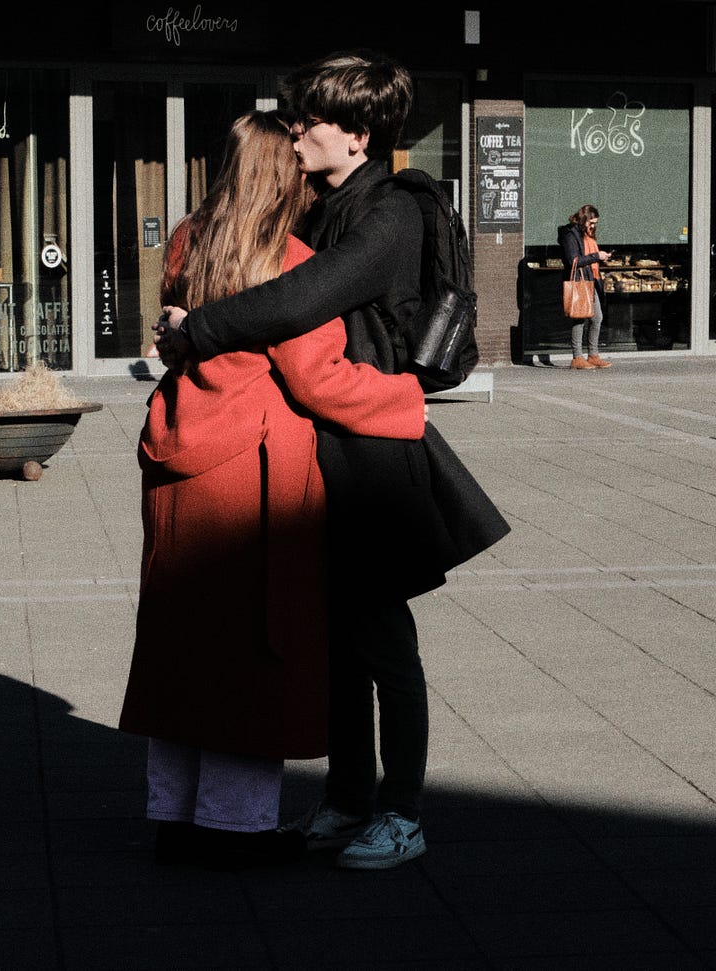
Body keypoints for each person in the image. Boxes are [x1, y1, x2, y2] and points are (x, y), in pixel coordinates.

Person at [156, 50, 505, 870]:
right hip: (323, 449)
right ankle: (349, 798)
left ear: (356, 134)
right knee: (335, 642)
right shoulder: (322, 205)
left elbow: (299, 299)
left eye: (310, 118)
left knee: (384, 642)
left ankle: (404, 812)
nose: (297, 128)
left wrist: (194, 330)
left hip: (377, 452)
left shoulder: (391, 214)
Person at [116, 110, 427, 871]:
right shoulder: (287, 258)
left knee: (182, 646)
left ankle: (174, 819)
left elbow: (173, 335)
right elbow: (315, 376)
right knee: (253, 649)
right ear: (282, 173)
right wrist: (407, 401)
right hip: (253, 473)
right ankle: (235, 827)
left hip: (179, 458)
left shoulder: (188, 238)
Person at [559, 204, 612, 369]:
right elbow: (573, 260)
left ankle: (593, 355)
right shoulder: (570, 234)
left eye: (595, 223)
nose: (593, 226)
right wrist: (596, 256)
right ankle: (577, 357)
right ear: (583, 220)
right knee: (579, 317)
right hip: (579, 280)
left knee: (597, 317)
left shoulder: (586, 235)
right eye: (591, 222)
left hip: (590, 279)